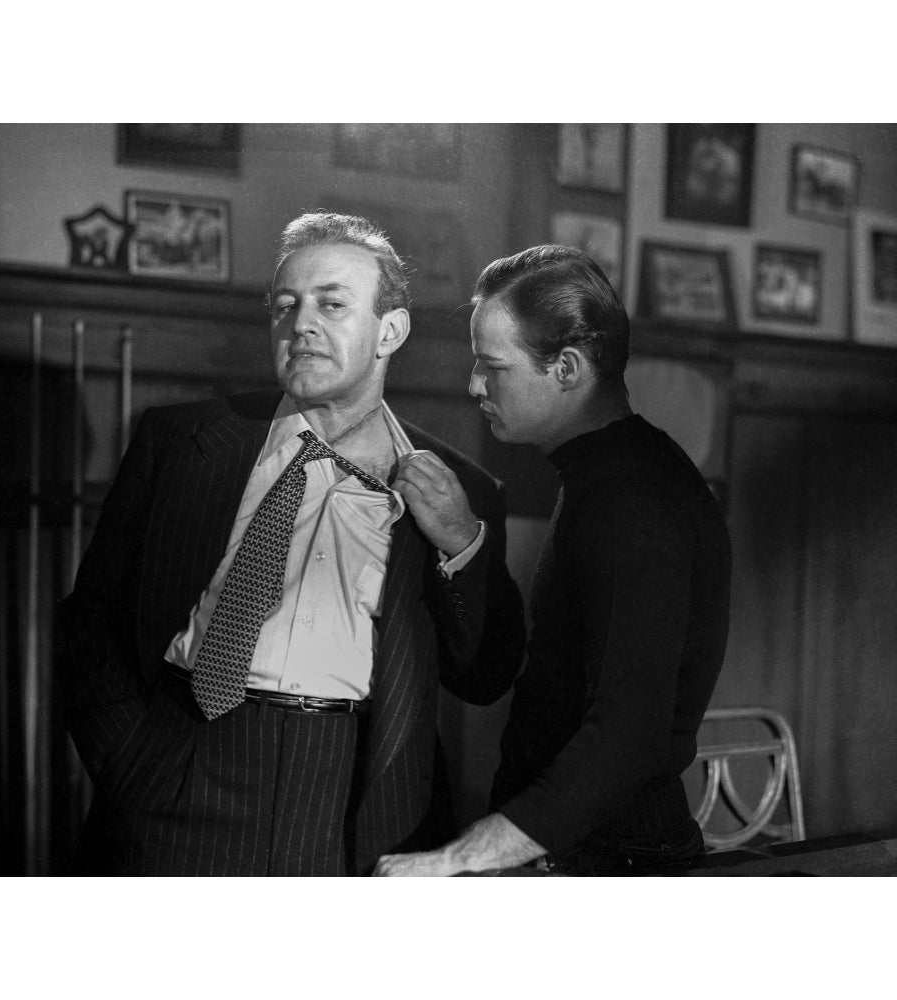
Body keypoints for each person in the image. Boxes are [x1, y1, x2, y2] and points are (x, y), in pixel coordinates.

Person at [56, 212, 525, 876]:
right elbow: (90, 621)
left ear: (389, 330)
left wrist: (463, 541)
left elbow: (485, 676)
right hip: (177, 760)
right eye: (285, 307)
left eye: (331, 305)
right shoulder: (180, 442)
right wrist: (129, 763)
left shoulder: (461, 488)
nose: (301, 323)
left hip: (346, 792)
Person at [375, 245, 731, 876]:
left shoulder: (632, 496)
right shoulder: (609, 471)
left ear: (566, 368)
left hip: (611, 861)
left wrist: (456, 859)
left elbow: (628, 738)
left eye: (493, 366)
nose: (473, 385)